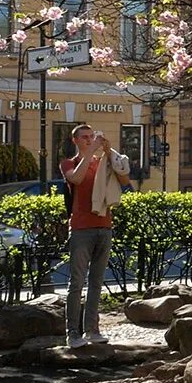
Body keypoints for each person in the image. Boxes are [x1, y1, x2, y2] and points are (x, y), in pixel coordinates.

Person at [59, 124, 130, 348]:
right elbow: (76, 179)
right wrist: (91, 153)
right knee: (77, 282)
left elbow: (125, 181)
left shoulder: (103, 163)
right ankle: (73, 333)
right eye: (85, 137)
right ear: (75, 140)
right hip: (81, 228)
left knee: (97, 282)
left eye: (92, 137)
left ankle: (93, 329)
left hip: (104, 226)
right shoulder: (68, 163)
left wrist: (108, 152)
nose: (90, 140)